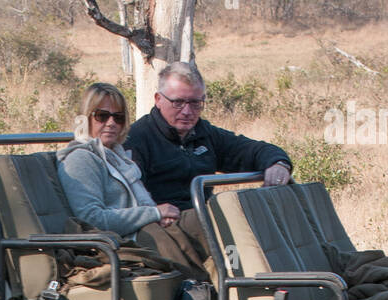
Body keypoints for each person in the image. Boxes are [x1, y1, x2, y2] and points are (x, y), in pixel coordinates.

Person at [124, 62, 292, 213]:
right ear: (158, 100)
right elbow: (130, 198)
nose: (187, 111)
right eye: (178, 102)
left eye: (195, 103)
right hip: (164, 226)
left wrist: (278, 163)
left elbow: (249, 150)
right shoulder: (136, 139)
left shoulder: (204, 133)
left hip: (203, 219)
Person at [56, 82, 180, 236]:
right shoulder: (80, 159)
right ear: (85, 118)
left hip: (148, 230)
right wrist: (154, 214)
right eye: (102, 116)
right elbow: (92, 220)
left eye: (118, 117)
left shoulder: (118, 156)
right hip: (127, 242)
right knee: (205, 221)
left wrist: (158, 215)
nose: (111, 123)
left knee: (208, 215)